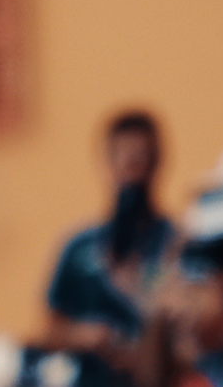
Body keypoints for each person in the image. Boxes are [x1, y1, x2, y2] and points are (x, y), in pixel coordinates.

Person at [47, 113, 176, 352]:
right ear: (107, 163)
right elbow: (51, 325)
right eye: (122, 158)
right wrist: (81, 335)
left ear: (157, 162)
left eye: (140, 158)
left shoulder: (176, 243)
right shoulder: (79, 247)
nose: (131, 170)